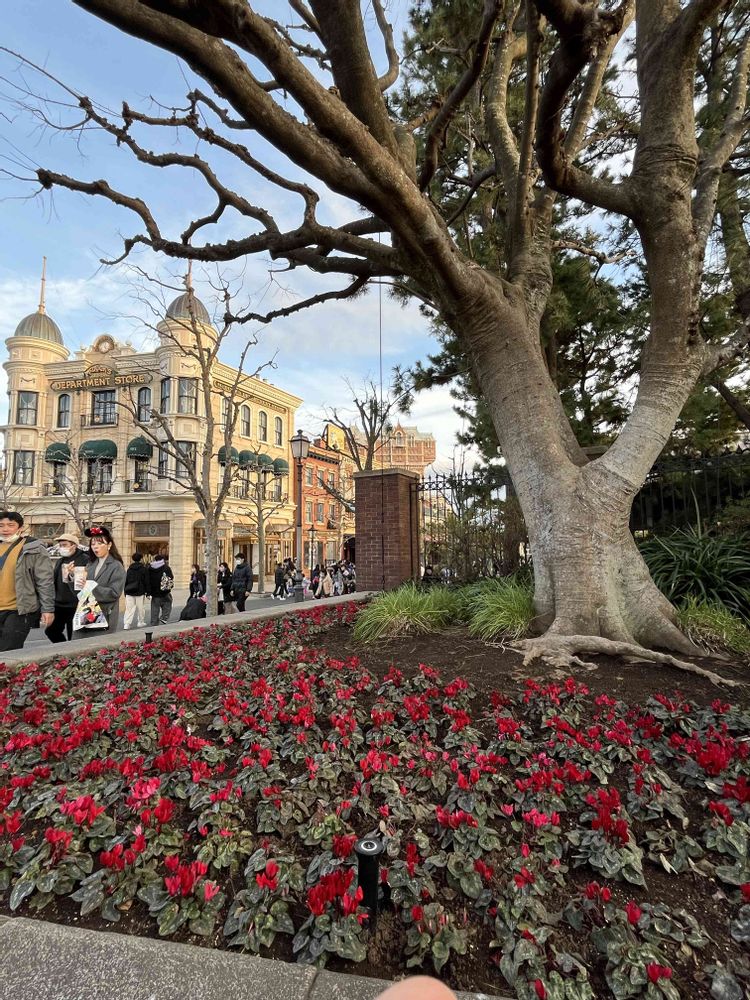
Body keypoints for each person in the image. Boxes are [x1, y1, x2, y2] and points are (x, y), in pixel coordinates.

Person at [0, 510, 54, 651]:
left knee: (8, 651)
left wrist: (48, 609)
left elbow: (45, 580)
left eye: (10, 525)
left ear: (20, 527)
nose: (5, 529)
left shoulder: (33, 548)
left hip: (18, 610)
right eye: (1, 525)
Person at [73, 525, 127, 636]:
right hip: (85, 614)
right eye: (93, 544)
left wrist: (90, 587)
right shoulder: (90, 564)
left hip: (104, 617)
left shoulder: (116, 566)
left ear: (109, 545)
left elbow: (114, 593)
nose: (95, 547)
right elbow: (80, 590)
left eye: (100, 543)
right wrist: (72, 577)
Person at [45, 532, 90, 643]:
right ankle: (63, 648)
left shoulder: (84, 559)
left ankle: (71, 652)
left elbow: (84, 582)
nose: (62, 548)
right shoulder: (60, 560)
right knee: (51, 631)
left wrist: (73, 573)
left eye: (64, 545)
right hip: (59, 603)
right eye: (60, 545)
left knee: (73, 635)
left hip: (75, 604)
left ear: (74, 545)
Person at [122, 552, 149, 631]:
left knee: (129, 608)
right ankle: (140, 621)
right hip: (140, 591)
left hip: (129, 591)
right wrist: (148, 592)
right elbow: (147, 581)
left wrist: (125, 591)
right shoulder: (144, 569)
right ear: (141, 559)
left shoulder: (129, 569)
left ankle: (127, 623)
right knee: (141, 608)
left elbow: (126, 581)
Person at [148, 553, 174, 626]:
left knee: (155, 607)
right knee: (168, 603)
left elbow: (147, 580)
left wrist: (148, 591)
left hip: (154, 592)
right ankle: (164, 617)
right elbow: (171, 577)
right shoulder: (166, 567)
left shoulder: (150, 568)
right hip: (165, 591)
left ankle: (154, 622)